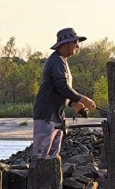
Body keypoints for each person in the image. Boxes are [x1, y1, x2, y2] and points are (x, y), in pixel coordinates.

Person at [32, 27, 96, 160]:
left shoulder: (61, 61)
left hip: (56, 117)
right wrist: (84, 100)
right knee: (42, 158)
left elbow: (60, 90)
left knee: (52, 158)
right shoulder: (56, 60)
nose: (77, 46)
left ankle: (51, 180)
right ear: (65, 44)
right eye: (75, 42)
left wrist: (74, 104)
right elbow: (62, 87)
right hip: (46, 116)